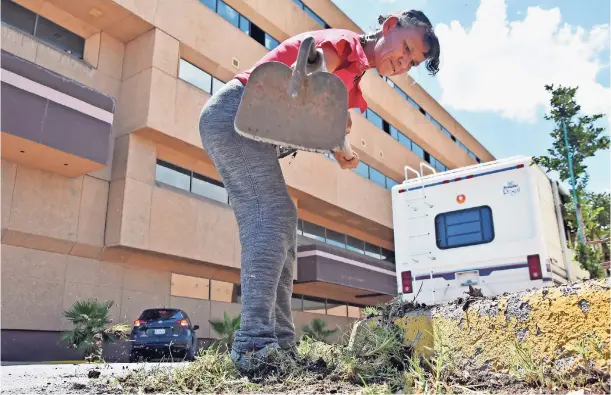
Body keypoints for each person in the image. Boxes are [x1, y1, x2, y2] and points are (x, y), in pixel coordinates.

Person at [199, 9, 441, 370]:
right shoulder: (344, 45)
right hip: (234, 116)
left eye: (412, 61)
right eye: (404, 47)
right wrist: (339, 139)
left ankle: (279, 345)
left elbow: (323, 112)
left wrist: (340, 146)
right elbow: (312, 81)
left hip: (249, 129)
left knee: (281, 219)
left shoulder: (354, 78)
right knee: (273, 216)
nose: (403, 61)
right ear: (389, 26)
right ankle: (253, 345)